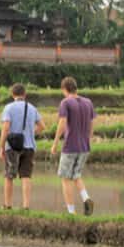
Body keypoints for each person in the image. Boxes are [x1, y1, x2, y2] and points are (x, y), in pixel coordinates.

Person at [51, 77, 96, 216]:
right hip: (84, 146)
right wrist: (88, 139)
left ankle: (71, 212)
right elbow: (92, 123)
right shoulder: (88, 102)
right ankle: (86, 198)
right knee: (76, 175)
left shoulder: (66, 102)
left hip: (70, 146)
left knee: (65, 178)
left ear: (65, 89)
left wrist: (55, 143)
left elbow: (62, 123)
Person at [0, 83, 45, 210]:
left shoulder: (8, 108)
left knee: (9, 176)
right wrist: (31, 133)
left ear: (12, 94)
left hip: (12, 147)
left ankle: (7, 205)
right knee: (26, 176)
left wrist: (1, 147)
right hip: (29, 146)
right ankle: (26, 206)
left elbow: (6, 128)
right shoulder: (32, 108)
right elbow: (42, 126)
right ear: (24, 95)